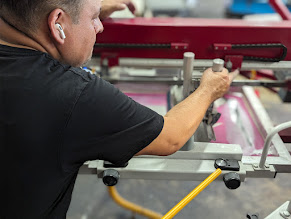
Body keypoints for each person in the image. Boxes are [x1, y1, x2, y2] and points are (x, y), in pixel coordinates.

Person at [0, 0, 237, 218]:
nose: (100, 27)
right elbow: (171, 137)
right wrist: (208, 90)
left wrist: (88, 9)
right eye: (94, 18)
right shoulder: (74, 94)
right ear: (57, 23)